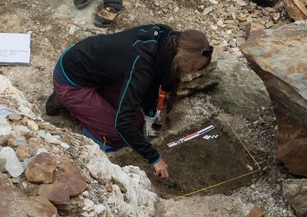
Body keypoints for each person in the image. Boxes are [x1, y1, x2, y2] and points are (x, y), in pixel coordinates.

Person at [45, 26, 213, 179]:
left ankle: (81, 102)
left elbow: (152, 86)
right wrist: (154, 158)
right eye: (192, 70)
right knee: (116, 135)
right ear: (183, 60)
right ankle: (65, 100)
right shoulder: (142, 67)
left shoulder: (166, 39)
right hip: (71, 80)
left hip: (99, 72)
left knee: (137, 124)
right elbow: (122, 123)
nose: (190, 75)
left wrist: (150, 119)